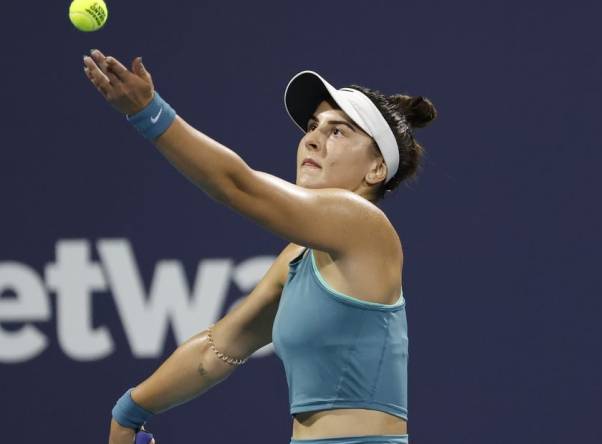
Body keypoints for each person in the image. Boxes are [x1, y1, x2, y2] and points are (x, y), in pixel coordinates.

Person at [82, 49, 436, 444]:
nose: (312, 140)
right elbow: (216, 351)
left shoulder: (364, 225)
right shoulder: (297, 257)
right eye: (313, 127)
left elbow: (237, 185)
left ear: (376, 170)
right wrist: (129, 411)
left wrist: (149, 112)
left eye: (337, 131)